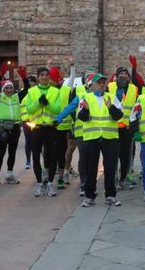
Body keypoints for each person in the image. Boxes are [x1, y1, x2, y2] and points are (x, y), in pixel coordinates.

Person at [77, 74, 123, 207]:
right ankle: (89, 196)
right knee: (91, 168)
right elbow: (82, 117)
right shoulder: (87, 97)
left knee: (110, 167)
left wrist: (110, 107)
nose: (102, 85)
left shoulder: (112, 97)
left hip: (109, 137)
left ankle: (110, 195)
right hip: (93, 137)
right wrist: (85, 110)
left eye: (104, 82)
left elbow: (119, 116)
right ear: (93, 84)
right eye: (99, 83)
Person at [55, 71, 96, 196]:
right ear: (89, 85)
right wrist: (59, 118)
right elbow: (69, 108)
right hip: (82, 132)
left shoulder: (103, 96)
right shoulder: (80, 95)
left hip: (96, 133)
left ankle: (90, 185)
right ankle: (84, 184)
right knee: (83, 159)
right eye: (94, 83)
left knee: (92, 160)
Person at [0, 64, 30, 187]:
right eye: (7, 88)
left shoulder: (16, 97)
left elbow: (27, 89)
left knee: (12, 152)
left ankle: (9, 174)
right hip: (3, 128)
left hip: (15, 127)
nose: (9, 90)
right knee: (1, 152)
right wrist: (0, 75)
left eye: (11, 88)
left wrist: (23, 77)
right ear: (3, 90)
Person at [26, 66, 61, 197]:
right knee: (35, 156)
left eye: (46, 75)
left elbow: (57, 109)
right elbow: (29, 109)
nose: (44, 77)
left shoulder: (55, 91)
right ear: (38, 77)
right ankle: (40, 184)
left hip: (50, 128)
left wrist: (47, 104)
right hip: (36, 128)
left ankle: (51, 184)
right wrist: (38, 103)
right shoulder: (32, 91)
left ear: (49, 77)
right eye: (42, 75)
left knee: (52, 156)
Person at [108, 60, 140, 189]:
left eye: (125, 73)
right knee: (113, 154)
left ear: (128, 76)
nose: (123, 75)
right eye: (120, 73)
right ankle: (114, 178)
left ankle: (124, 178)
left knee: (126, 154)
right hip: (113, 126)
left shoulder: (134, 88)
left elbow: (137, 106)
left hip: (127, 127)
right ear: (116, 76)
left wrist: (134, 68)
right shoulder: (110, 86)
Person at [50, 57, 76, 189]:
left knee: (66, 149)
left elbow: (72, 78)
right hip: (52, 125)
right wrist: (48, 65)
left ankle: (65, 171)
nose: (59, 80)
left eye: (59, 79)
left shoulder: (66, 89)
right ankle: (51, 172)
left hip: (66, 126)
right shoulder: (48, 90)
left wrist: (72, 66)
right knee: (52, 150)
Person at [21, 75, 38, 169]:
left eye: (32, 81)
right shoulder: (24, 93)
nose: (30, 83)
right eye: (29, 82)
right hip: (26, 121)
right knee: (28, 142)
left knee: (37, 142)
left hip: (36, 120)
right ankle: (28, 160)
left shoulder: (37, 93)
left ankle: (37, 161)